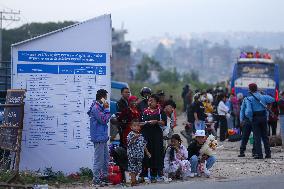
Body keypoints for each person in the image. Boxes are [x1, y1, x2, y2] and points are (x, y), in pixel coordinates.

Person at [88, 89, 111, 186]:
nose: (106, 99)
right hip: (98, 137)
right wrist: (107, 109)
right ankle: (96, 179)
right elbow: (104, 120)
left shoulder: (99, 107)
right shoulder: (96, 108)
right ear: (102, 98)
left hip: (103, 137)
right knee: (99, 159)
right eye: (105, 97)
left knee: (106, 158)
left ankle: (104, 177)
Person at [140, 94, 167, 182]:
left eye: (152, 100)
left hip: (156, 136)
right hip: (146, 134)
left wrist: (156, 121)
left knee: (156, 153)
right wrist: (145, 123)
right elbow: (139, 123)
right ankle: (143, 175)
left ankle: (154, 175)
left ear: (157, 102)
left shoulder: (160, 111)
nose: (150, 102)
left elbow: (164, 123)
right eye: (149, 100)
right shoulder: (144, 111)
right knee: (145, 153)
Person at [245, 83, 275, 159]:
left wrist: (250, 118)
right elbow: (273, 99)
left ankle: (259, 154)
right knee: (265, 136)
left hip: (255, 118)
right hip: (263, 117)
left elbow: (248, 111)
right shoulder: (263, 96)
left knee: (257, 137)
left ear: (250, 89)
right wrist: (263, 94)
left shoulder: (249, 99)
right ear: (257, 88)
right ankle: (268, 154)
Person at [127, 120, 151, 186]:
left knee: (138, 168)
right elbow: (129, 142)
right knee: (132, 168)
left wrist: (147, 152)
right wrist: (134, 137)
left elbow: (144, 145)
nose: (136, 127)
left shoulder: (141, 135)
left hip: (140, 155)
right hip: (132, 155)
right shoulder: (130, 134)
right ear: (131, 127)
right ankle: (133, 181)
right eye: (134, 126)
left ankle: (135, 179)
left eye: (138, 126)